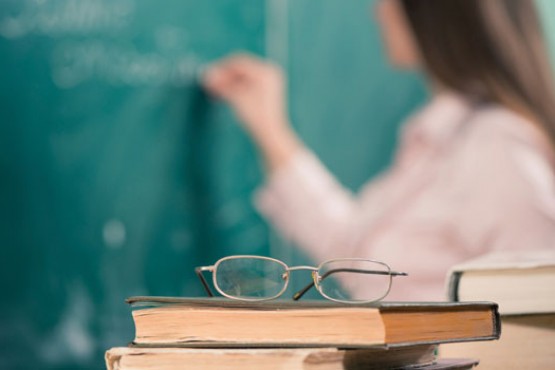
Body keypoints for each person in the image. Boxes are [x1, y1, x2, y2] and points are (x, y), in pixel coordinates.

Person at [202, 0, 555, 301]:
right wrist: (270, 130)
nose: (378, 10)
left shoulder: (499, 150)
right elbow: (357, 258)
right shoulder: (441, 137)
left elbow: (534, 315)